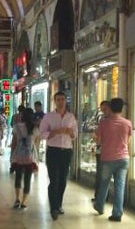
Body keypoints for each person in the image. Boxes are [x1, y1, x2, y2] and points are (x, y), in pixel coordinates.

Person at [39, 91, 78, 220]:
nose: (61, 102)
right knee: (54, 180)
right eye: (58, 100)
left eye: (62, 99)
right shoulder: (49, 117)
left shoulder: (71, 117)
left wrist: (70, 132)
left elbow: (75, 135)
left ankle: (59, 204)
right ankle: (54, 208)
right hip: (53, 151)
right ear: (54, 101)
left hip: (66, 151)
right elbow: (42, 133)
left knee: (62, 180)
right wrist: (54, 132)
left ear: (65, 101)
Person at [93, 98, 132, 222]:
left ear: (110, 107)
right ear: (122, 108)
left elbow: (98, 141)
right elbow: (128, 141)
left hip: (108, 158)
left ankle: (99, 206)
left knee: (104, 184)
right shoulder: (127, 123)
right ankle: (117, 213)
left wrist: (98, 139)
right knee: (120, 186)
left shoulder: (104, 123)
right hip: (123, 158)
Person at [10, 108, 39, 210]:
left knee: (18, 178)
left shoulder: (16, 127)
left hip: (18, 157)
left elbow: (13, 143)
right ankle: (24, 201)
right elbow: (36, 144)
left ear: (22, 116)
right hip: (30, 158)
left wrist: (11, 157)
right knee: (27, 179)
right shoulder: (35, 129)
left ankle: (17, 199)